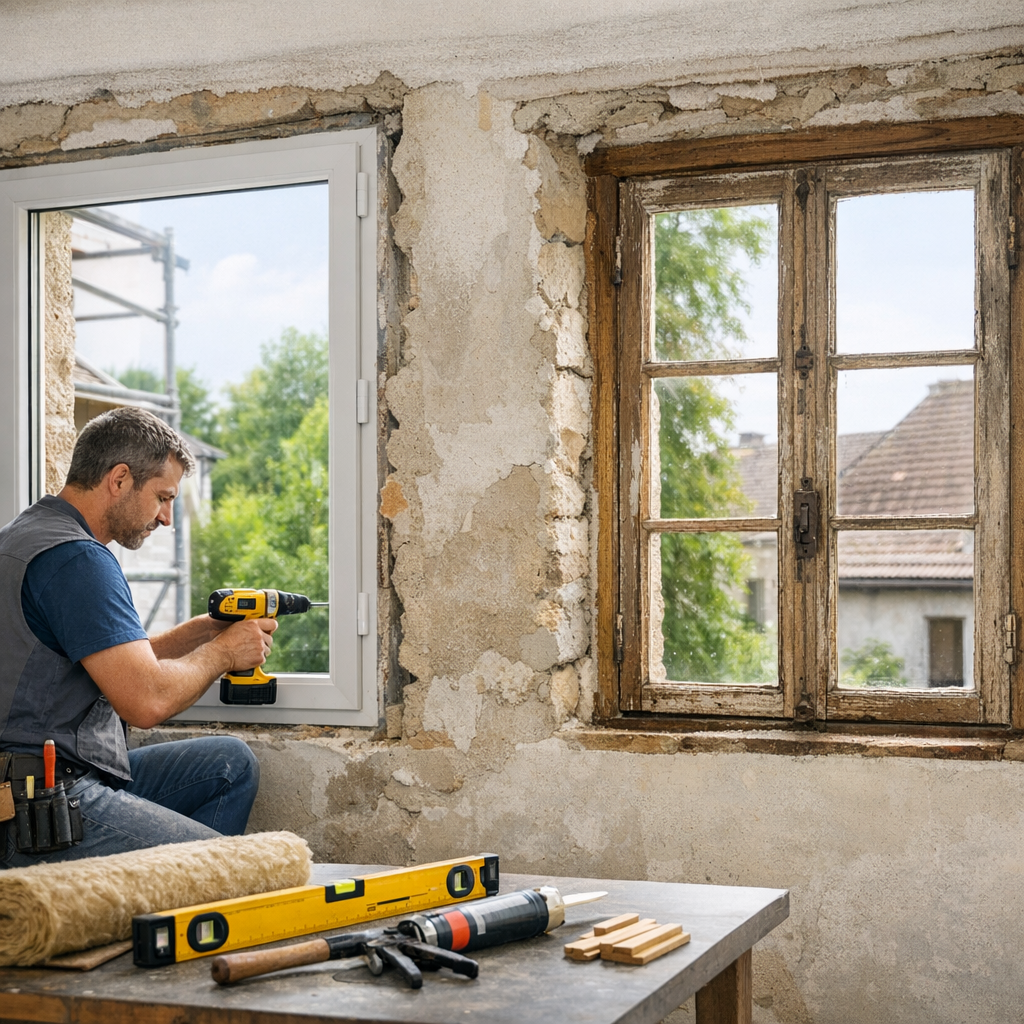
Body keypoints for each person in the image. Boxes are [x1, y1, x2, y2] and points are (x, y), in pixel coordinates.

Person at [0, 407, 278, 867]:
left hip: (33, 784)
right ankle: (183, 904)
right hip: (44, 805)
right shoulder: (77, 560)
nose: (167, 518)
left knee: (229, 764)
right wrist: (224, 652)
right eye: (162, 497)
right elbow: (145, 702)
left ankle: (165, 900)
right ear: (120, 479)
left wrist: (203, 632)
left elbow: (102, 660)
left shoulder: (26, 536)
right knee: (233, 868)